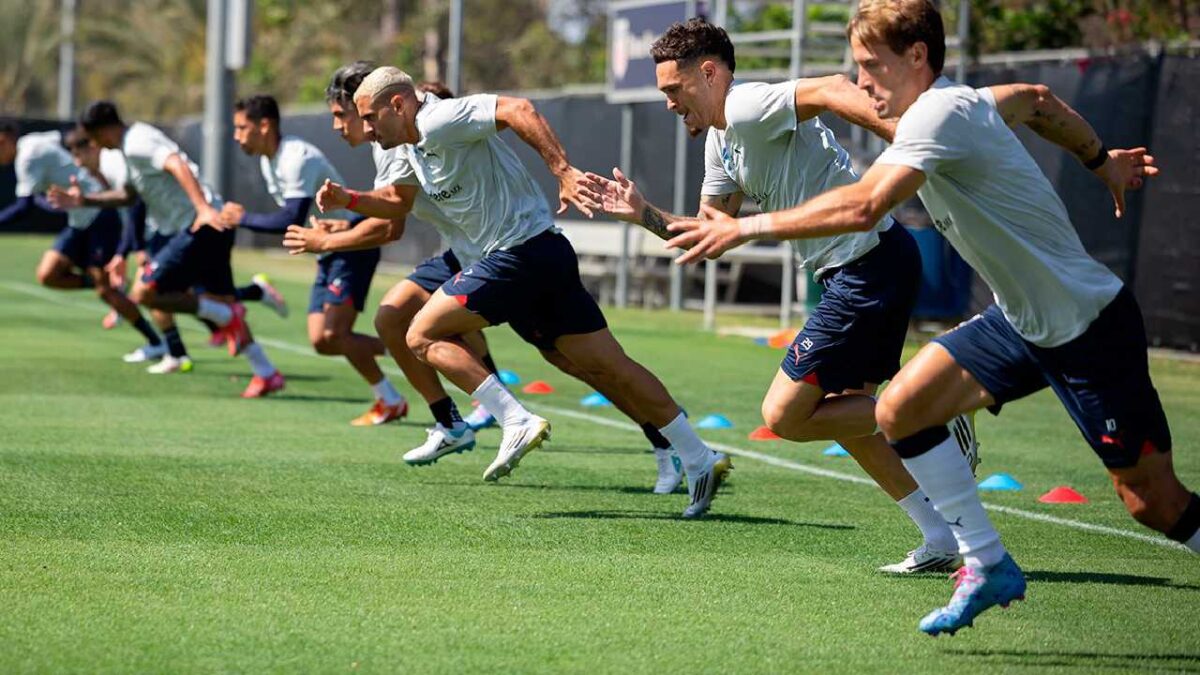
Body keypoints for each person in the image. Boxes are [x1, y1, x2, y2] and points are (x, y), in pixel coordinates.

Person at [667, 0, 1192, 634]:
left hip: (1086, 322)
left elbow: (864, 207)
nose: (859, 82)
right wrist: (1102, 161)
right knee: (900, 409)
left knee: (1151, 501)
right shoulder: (957, 106)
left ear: (917, 57)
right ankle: (985, 562)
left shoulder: (937, 116)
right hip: (1016, 321)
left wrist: (748, 228)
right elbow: (1035, 99)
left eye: (871, 66)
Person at [586, 17, 977, 570]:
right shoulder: (720, 141)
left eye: (674, 89)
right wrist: (642, 213)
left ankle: (935, 409)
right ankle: (940, 536)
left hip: (868, 265)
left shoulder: (747, 105)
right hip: (860, 268)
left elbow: (834, 89)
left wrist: (911, 140)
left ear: (709, 73)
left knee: (784, 416)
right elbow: (711, 234)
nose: (669, 103)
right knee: (847, 419)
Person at [301, 66, 729, 515]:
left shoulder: (439, 119)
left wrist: (562, 171)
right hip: (543, 252)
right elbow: (397, 202)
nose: (366, 129)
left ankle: (512, 419)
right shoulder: (409, 145)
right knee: (607, 366)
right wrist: (347, 200)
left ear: (398, 105)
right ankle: (698, 455)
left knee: (420, 334)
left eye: (369, 118)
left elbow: (517, 108)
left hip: (517, 254)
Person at [49, 101, 284, 396]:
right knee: (219, 300)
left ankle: (224, 317)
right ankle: (266, 372)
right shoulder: (127, 149)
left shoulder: (138, 142)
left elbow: (176, 164)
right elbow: (128, 196)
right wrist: (84, 201)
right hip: (204, 226)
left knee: (144, 293)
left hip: (198, 226)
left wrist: (202, 209)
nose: (93, 144)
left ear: (104, 130)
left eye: (93, 137)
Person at [219, 94, 407, 424]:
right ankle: (403, 360)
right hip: (328, 250)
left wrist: (241, 218)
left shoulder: (296, 157)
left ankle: (393, 393)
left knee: (335, 334)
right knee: (322, 340)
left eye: (241, 127)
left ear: (264, 126)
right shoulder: (269, 159)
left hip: (351, 246)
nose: (236, 136)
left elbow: (289, 218)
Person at [0, 121, 163, 357]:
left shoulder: (26, 158)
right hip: (79, 219)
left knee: (106, 292)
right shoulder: (33, 140)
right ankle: (104, 284)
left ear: (3, 140)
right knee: (48, 275)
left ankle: (156, 342)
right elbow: (64, 137)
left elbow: (24, 207)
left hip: (98, 215)